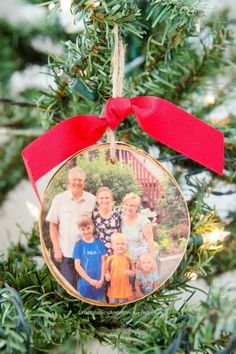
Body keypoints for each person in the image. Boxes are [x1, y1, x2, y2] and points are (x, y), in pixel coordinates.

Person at [46, 166, 96, 289]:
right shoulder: (59, 199)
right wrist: (56, 248)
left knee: (87, 289)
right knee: (69, 288)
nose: (77, 183)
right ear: (69, 181)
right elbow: (53, 226)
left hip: (86, 253)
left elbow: (98, 223)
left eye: (80, 180)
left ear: (84, 182)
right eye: (74, 179)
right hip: (66, 253)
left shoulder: (92, 199)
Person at [73, 212, 106, 302]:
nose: (86, 231)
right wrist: (90, 280)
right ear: (79, 230)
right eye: (83, 229)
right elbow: (77, 266)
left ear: (93, 226)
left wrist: (102, 279)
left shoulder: (99, 244)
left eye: (88, 228)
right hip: (85, 285)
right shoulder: (78, 245)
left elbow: (103, 262)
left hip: (99, 284)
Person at [121, 193, 156, 264]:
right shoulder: (121, 220)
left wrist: (152, 261)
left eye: (132, 206)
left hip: (144, 261)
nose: (128, 207)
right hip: (129, 261)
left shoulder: (143, 221)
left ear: (137, 207)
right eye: (126, 204)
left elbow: (150, 241)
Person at [105, 233, 135, 304]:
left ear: (126, 246)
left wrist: (131, 273)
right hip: (112, 292)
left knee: (124, 310)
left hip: (125, 292)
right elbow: (106, 272)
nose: (120, 246)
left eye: (122, 244)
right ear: (112, 246)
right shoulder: (109, 259)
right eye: (117, 244)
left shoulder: (129, 259)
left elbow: (133, 273)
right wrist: (107, 276)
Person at [92, 187, 122, 256]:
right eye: (101, 198)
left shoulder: (117, 212)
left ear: (111, 199)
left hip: (116, 251)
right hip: (99, 252)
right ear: (97, 200)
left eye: (107, 198)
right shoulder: (94, 214)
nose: (104, 200)